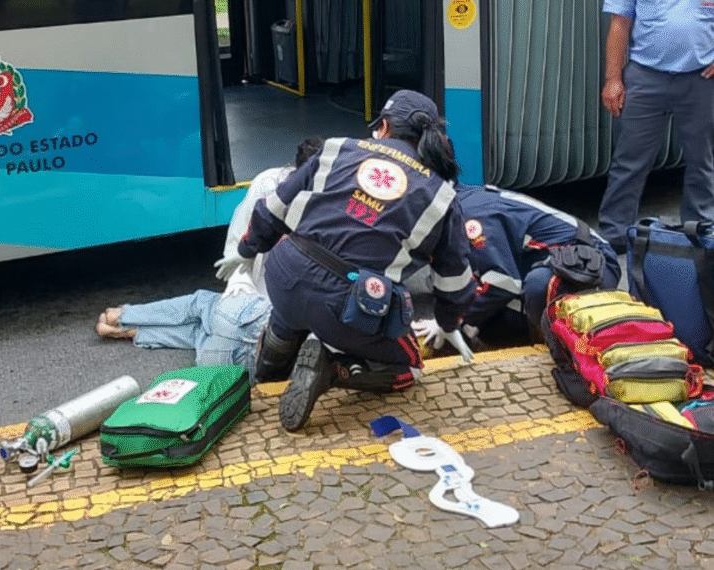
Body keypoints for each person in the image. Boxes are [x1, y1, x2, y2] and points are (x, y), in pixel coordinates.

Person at [214, 89, 476, 432]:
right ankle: (334, 370)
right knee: (409, 368)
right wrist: (449, 321)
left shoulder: (336, 148)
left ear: (383, 126)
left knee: (294, 303)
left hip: (284, 275)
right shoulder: (440, 194)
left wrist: (246, 252)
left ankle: (271, 366)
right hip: (349, 307)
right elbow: (454, 280)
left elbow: (271, 210)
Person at [95, 138, 324, 384]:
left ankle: (125, 316)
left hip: (254, 316)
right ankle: (134, 331)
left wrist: (240, 279)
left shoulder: (280, 187)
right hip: (241, 363)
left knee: (203, 304)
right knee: (200, 332)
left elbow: (241, 238)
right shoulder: (296, 193)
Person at [416, 184, 622, 348]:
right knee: (493, 327)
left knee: (538, 285)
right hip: (550, 265)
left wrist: (450, 320)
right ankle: (536, 333)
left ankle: (555, 353)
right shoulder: (456, 201)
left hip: (592, 264)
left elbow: (501, 282)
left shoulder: (470, 215)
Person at [598, 2, 714, 254]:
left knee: (702, 161)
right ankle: (613, 237)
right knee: (629, 162)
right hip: (645, 77)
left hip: (701, 79)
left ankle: (702, 234)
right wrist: (613, 79)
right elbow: (619, 25)